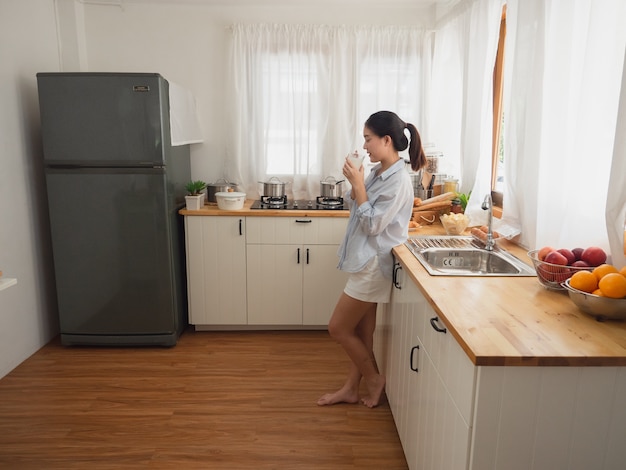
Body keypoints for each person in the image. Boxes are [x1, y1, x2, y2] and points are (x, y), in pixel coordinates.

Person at [317, 110, 426, 408]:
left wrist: (359, 185)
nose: (364, 146)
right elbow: (359, 206)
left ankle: (374, 379)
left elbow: (373, 225)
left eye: (368, 139)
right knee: (363, 332)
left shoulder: (398, 181)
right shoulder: (379, 172)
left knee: (338, 328)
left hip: (374, 265)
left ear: (386, 140)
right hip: (365, 259)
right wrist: (356, 182)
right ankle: (352, 388)